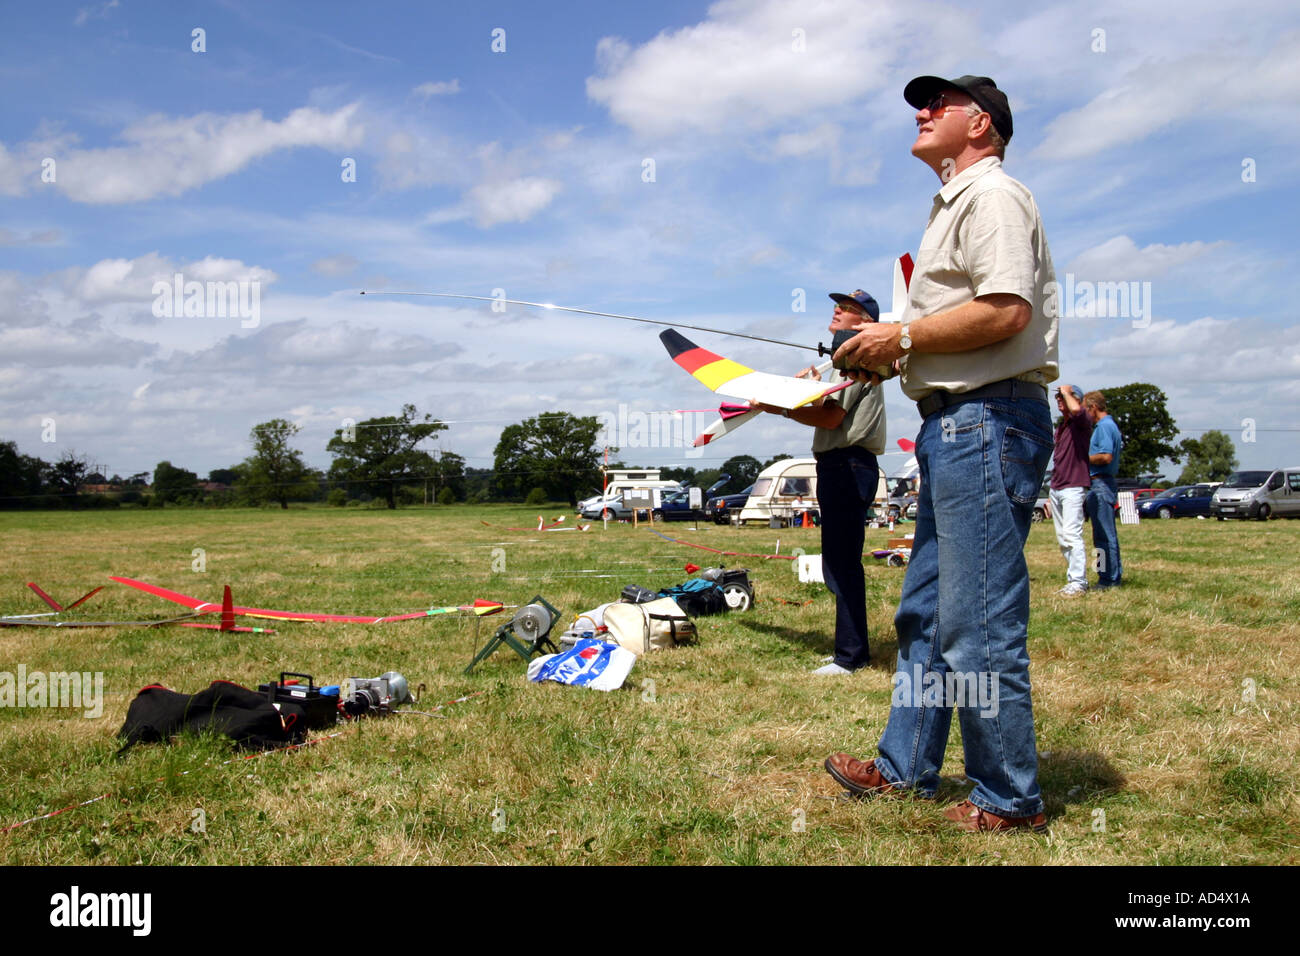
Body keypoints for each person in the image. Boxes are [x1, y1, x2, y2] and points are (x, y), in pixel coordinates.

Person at [822, 74, 1058, 832]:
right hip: (957, 422)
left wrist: (904, 338)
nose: (922, 114)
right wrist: (887, 354)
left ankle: (1008, 799)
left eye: (938, 104)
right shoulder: (955, 202)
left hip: (988, 419)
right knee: (924, 611)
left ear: (980, 124)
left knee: (977, 620)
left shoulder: (993, 195)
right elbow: (955, 328)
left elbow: (1004, 310)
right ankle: (906, 767)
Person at [752, 288, 887, 675]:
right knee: (837, 560)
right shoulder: (839, 363)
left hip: (849, 464)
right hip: (838, 465)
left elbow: (831, 419)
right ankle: (849, 649)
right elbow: (824, 408)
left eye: (846, 309)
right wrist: (808, 389)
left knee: (842, 562)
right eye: (838, 305)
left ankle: (851, 657)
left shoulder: (858, 358)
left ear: (865, 324)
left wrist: (779, 407)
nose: (836, 310)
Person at [1050, 385, 1091, 596]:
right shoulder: (1062, 427)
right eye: (1057, 396)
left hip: (1073, 486)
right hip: (1057, 486)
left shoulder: (1081, 421)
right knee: (1063, 537)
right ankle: (1073, 578)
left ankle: (1078, 582)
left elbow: (1076, 410)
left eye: (1063, 396)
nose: (1059, 399)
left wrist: (1067, 392)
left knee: (1072, 534)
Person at [1083, 390, 1123, 588]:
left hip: (1100, 484)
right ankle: (1108, 576)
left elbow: (1106, 456)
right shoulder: (1110, 426)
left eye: (1086, 410)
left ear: (1093, 408)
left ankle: (1108, 579)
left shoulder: (1104, 427)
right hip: (1102, 484)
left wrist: (1083, 458)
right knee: (1103, 535)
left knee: (1104, 536)